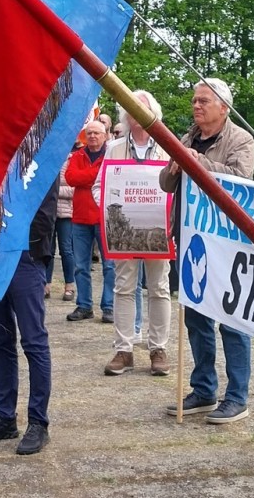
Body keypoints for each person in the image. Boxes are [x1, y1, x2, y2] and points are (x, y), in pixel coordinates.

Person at [159, 77, 254, 423]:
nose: (196, 106)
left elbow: (240, 180)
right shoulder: (186, 138)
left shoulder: (240, 140)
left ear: (223, 108)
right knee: (196, 317)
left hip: (225, 241)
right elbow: (166, 184)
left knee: (231, 319)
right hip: (190, 239)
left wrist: (197, 161)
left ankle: (237, 396)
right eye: (194, 101)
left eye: (203, 101)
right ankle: (203, 388)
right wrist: (175, 166)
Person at [0, 179, 57, 455]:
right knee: (0, 341)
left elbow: (44, 211)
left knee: (33, 342)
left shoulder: (40, 151)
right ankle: (4, 417)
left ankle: (38, 422)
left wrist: (29, 249)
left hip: (24, 256)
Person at [100, 90, 173, 378]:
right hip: (123, 231)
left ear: (153, 111)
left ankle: (158, 349)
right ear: (125, 115)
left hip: (159, 230)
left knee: (159, 288)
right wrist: (107, 209)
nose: (137, 114)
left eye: (142, 108)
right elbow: (100, 187)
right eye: (131, 108)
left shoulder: (167, 146)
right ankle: (124, 350)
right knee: (124, 288)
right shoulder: (114, 148)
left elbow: (178, 187)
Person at [65, 120, 114, 324]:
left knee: (109, 265)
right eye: (90, 133)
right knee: (80, 266)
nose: (93, 136)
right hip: (80, 218)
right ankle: (84, 305)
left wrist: (85, 177)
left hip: (104, 217)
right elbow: (70, 178)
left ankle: (108, 306)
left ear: (105, 135)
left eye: (97, 133)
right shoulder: (78, 155)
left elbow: (108, 177)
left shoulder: (110, 156)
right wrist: (94, 176)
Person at [55, 160, 78, 302]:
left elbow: (74, 189)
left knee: (66, 249)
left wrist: (54, 190)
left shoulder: (70, 161)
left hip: (65, 214)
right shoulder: (47, 160)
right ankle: (46, 284)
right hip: (48, 212)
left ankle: (69, 285)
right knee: (47, 250)